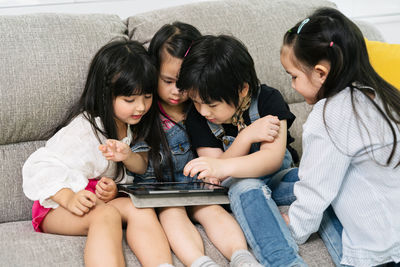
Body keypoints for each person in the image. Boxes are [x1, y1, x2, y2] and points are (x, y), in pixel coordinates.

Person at [22, 40, 174, 267]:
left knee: (140, 207)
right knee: (107, 216)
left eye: (148, 97)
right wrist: (69, 197)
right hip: (55, 205)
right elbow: (39, 164)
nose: (141, 107)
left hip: (93, 198)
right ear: (106, 95)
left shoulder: (132, 125)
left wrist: (110, 189)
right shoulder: (86, 130)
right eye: (130, 100)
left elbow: (116, 174)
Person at [121, 21, 260, 267]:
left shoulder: (207, 110)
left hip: (199, 188)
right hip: (161, 194)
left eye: (184, 83)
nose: (177, 91)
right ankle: (201, 263)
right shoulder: (144, 111)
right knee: (172, 214)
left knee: (212, 211)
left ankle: (242, 257)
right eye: (168, 81)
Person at [280, 7, 400, 267]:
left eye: (294, 76)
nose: (292, 86)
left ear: (321, 73)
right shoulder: (380, 95)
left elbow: (315, 188)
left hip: (378, 253)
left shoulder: (330, 114)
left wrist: (293, 229)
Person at [177, 34, 307, 267]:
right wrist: (246, 136)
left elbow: (272, 159)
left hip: (277, 177)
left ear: (242, 89)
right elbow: (217, 174)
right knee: (246, 186)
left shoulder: (268, 99)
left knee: (317, 179)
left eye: (212, 104)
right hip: (236, 187)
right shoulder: (197, 117)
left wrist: (221, 165)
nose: (204, 111)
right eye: (196, 102)